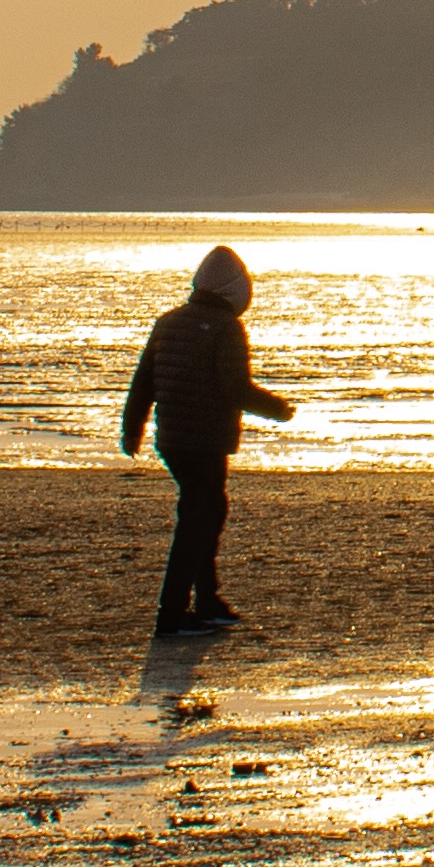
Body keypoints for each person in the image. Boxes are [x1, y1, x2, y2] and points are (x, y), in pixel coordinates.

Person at [120, 245, 294, 637]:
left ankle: (208, 602)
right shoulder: (225, 328)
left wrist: (133, 429)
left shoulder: (168, 322)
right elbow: (235, 388)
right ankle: (174, 612)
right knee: (200, 519)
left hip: (174, 439)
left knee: (203, 513)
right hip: (205, 439)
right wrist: (277, 408)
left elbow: (142, 382)